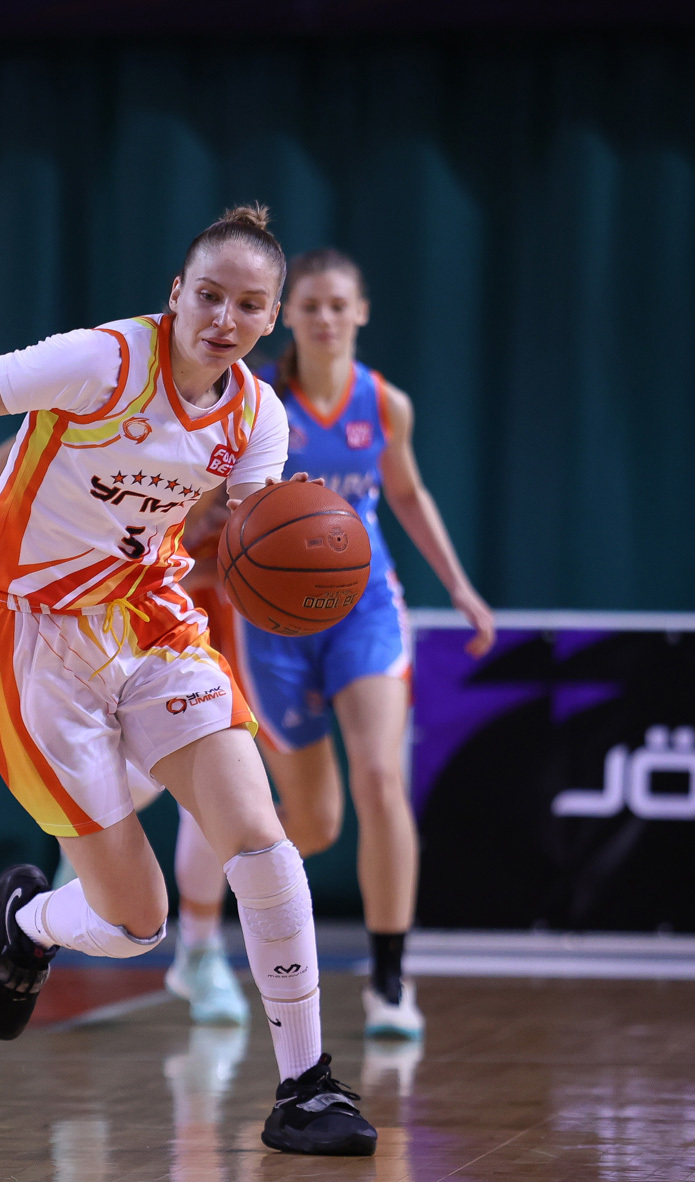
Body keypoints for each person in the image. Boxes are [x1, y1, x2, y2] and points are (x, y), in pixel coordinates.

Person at [0, 205, 376, 1156]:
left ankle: (306, 1088)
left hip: (150, 617)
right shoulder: (104, 361)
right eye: (209, 295)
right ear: (176, 294)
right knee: (138, 922)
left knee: (260, 837)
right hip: (33, 636)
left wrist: (294, 556)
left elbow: (244, 536)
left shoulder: (258, 417)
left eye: (248, 305)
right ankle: (30, 923)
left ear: (269, 318)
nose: (224, 318)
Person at [0, 447, 248, 1026]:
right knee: (148, 817)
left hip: (198, 631)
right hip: (95, 627)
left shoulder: (251, 435)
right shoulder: (130, 421)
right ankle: (74, 879)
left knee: (242, 808)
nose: (214, 513)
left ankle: (200, 952)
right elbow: (17, 445)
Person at [242, 247, 494, 1038]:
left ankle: (389, 979)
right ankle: (215, 910)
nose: (324, 317)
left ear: (361, 313)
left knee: (382, 778)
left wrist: (459, 585)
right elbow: (205, 509)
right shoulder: (255, 400)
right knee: (313, 823)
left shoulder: (385, 403)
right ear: (287, 315)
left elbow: (407, 496)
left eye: (337, 304)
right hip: (275, 621)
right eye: (310, 304)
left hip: (364, 606)